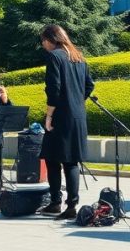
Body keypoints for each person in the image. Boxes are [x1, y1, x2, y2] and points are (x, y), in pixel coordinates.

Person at [38, 24, 94, 221]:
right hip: (78, 116)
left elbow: (53, 89)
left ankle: (55, 202)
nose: (43, 44)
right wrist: (77, 101)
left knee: (52, 159)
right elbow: (90, 85)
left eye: (43, 40)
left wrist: (49, 116)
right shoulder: (79, 57)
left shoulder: (55, 57)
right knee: (71, 162)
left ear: (51, 39)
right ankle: (72, 205)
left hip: (61, 116)